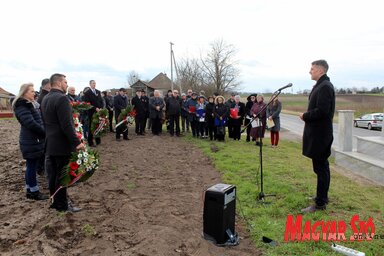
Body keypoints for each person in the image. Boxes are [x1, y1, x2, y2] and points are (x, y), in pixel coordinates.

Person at [41, 73, 85, 212]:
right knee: (62, 176)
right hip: (62, 144)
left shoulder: (45, 98)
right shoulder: (62, 99)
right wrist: (77, 142)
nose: (67, 84)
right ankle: (62, 206)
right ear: (59, 83)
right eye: (65, 82)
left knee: (53, 175)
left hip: (50, 143)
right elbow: (66, 125)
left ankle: (56, 202)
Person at [300, 60, 335, 213]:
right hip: (318, 134)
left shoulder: (325, 86)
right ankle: (322, 196)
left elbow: (322, 110)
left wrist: (305, 115)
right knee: (320, 168)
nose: (310, 71)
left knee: (321, 168)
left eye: (312, 69)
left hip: (320, 135)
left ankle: (320, 203)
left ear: (320, 71)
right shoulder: (321, 85)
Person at [13, 83, 48, 200]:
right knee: (32, 166)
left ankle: (30, 189)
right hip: (31, 140)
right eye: (32, 91)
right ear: (24, 93)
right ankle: (34, 192)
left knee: (30, 166)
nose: (34, 93)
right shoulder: (22, 106)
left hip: (33, 139)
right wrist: (44, 132)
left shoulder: (29, 104)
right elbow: (31, 123)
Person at [82, 80, 104, 146]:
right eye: (93, 83)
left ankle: (98, 141)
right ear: (90, 84)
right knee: (91, 127)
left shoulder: (98, 91)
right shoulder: (87, 93)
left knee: (98, 126)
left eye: (95, 83)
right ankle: (90, 142)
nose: (94, 84)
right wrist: (95, 108)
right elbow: (87, 103)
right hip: (91, 112)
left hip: (98, 112)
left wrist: (100, 108)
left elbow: (101, 101)